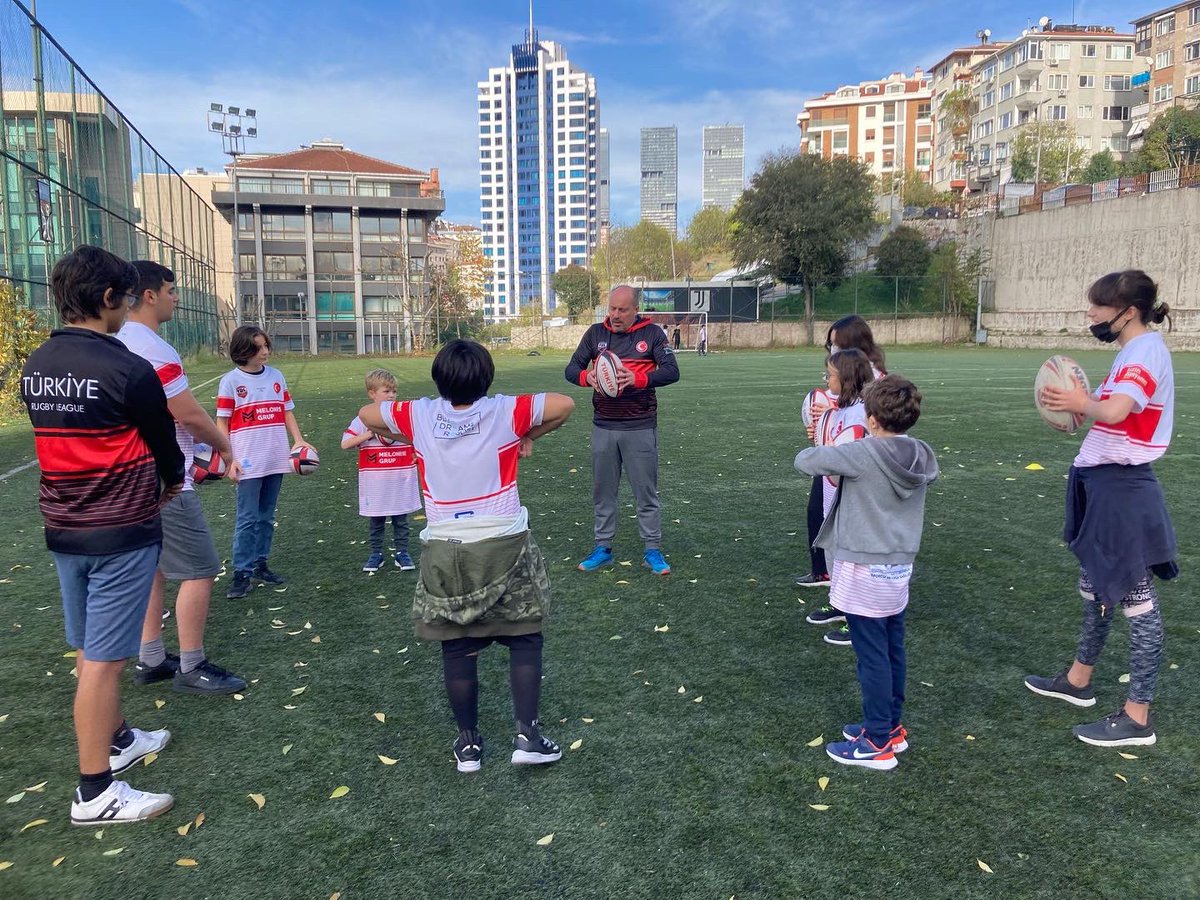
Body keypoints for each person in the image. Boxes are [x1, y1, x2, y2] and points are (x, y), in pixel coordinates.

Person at [358, 340, 575, 773]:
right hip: (504, 540)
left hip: (444, 545)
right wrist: (527, 433)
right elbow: (564, 403)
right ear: (488, 377)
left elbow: (367, 415)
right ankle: (528, 736)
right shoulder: (503, 411)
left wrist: (412, 432)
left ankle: (468, 746)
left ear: (438, 380)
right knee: (525, 636)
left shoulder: (417, 413)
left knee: (457, 647)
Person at [21, 245, 183, 824]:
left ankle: (117, 738)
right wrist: (169, 483)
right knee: (102, 660)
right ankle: (95, 792)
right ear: (110, 299)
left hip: (64, 527)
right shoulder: (126, 368)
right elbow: (167, 451)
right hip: (119, 533)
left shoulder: (36, 363)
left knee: (91, 645)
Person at [1025, 271, 1177, 748]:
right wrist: (1075, 411)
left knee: (1136, 600)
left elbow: (1115, 411)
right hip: (1102, 482)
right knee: (1096, 588)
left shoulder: (1146, 350)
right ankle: (1078, 681)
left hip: (1123, 489)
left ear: (1127, 311)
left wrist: (1079, 401)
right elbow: (1107, 414)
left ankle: (1138, 716)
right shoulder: (1131, 351)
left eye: (1097, 307)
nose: (1090, 315)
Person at [795, 376, 938, 770]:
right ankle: (890, 726)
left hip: (863, 568)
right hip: (898, 568)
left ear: (871, 419)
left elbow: (805, 461)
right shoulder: (922, 453)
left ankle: (876, 742)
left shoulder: (860, 453)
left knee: (871, 656)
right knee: (893, 647)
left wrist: (831, 436)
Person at [117, 261, 247, 696]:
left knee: (153, 568)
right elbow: (187, 413)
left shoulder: (114, 341)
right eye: (171, 290)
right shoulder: (154, 348)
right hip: (165, 479)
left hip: (129, 475)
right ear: (149, 295)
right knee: (201, 568)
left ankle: (151, 656)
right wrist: (223, 446)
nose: (176, 297)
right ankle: (192, 666)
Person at [565, 285, 681, 575]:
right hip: (603, 425)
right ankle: (603, 548)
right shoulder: (595, 334)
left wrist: (638, 378)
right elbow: (571, 369)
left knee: (646, 492)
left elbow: (671, 371)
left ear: (635, 310)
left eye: (622, 310)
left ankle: (652, 551)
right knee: (603, 491)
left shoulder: (652, 334)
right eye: (612, 308)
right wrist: (586, 376)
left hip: (640, 426)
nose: (615, 315)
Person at [216, 326, 315, 599]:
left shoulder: (276, 376)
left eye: (266, 346)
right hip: (247, 461)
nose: (265, 352)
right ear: (243, 351)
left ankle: (260, 564)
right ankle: (241, 572)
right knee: (247, 518)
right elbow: (221, 422)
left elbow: (287, 412)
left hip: (275, 456)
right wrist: (229, 459)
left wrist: (298, 441)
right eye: (259, 348)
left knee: (266, 517)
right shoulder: (231, 382)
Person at [796, 316, 888, 591]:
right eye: (830, 343)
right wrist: (821, 426)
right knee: (824, 516)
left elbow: (866, 424)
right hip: (836, 460)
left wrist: (830, 417)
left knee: (848, 529)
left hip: (856, 466)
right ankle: (832, 583)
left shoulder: (873, 383)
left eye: (836, 343)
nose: (832, 348)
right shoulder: (847, 386)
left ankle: (853, 598)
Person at [805, 349, 875, 646]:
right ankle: (840, 603)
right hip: (831, 488)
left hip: (853, 494)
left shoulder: (863, 412)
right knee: (833, 545)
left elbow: (856, 453)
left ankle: (858, 618)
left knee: (852, 553)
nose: (826, 380)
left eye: (830, 375)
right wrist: (818, 433)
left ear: (845, 379)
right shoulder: (837, 410)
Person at [341, 368, 421, 572]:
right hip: (375, 482)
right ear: (372, 394)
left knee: (400, 519)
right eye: (386, 391)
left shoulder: (402, 417)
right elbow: (345, 444)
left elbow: (418, 441)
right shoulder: (362, 420)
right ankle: (376, 554)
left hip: (400, 478)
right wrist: (367, 435)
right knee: (376, 519)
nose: (392, 395)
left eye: (394, 391)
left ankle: (402, 553)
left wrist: (416, 455)